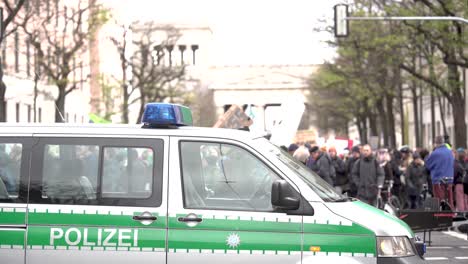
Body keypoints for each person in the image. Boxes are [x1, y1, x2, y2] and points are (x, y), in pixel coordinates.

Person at [425, 136, 455, 209]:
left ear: (436, 143)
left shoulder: (435, 153)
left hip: (438, 179)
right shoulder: (450, 152)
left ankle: (441, 215)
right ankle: (451, 213)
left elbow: (428, 165)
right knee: (449, 199)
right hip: (449, 179)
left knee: (439, 200)